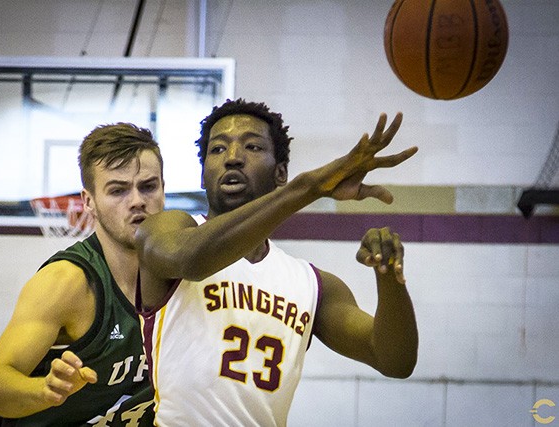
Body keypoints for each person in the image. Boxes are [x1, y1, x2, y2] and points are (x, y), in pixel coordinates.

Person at [136, 98, 419, 426]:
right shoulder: (168, 229)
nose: (233, 158)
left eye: (252, 146)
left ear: (280, 171)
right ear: (202, 175)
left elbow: (394, 360)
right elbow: (190, 260)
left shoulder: (311, 284)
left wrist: (389, 275)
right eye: (217, 149)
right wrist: (309, 188)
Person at [0, 123, 165, 426]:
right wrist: (46, 390)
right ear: (89, 201)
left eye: (149, 186)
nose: (137, 200)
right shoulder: (66, 282)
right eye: (118, 190)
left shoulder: (178, 276)